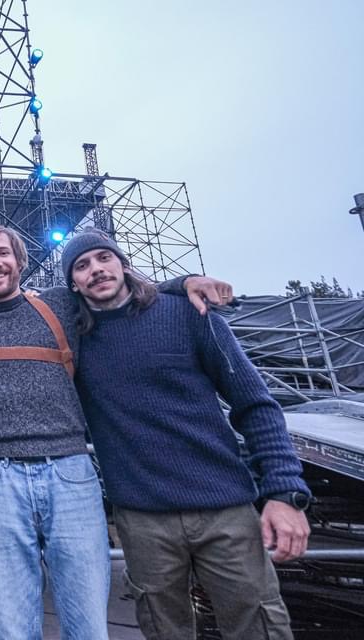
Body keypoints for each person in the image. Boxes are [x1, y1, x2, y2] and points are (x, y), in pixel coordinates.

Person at [0, 225, 231, 640]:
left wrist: (183, 283)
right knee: (12, 628)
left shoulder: (60, 304)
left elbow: (113, 289)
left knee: (87, 626)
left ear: (20, 261)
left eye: (3, 253)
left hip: (70, 475)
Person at [63, 229, 311, 640]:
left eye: (104, 258)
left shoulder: (188, 314)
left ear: (123, 263)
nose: (96, 270)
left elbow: (255, 404)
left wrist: (285, 492)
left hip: (225, 508)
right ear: (72, 283)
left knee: (259, 625)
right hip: (143, 519)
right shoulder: (74, 339)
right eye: (82, 266)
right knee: (164, 630)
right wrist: (181, 280)